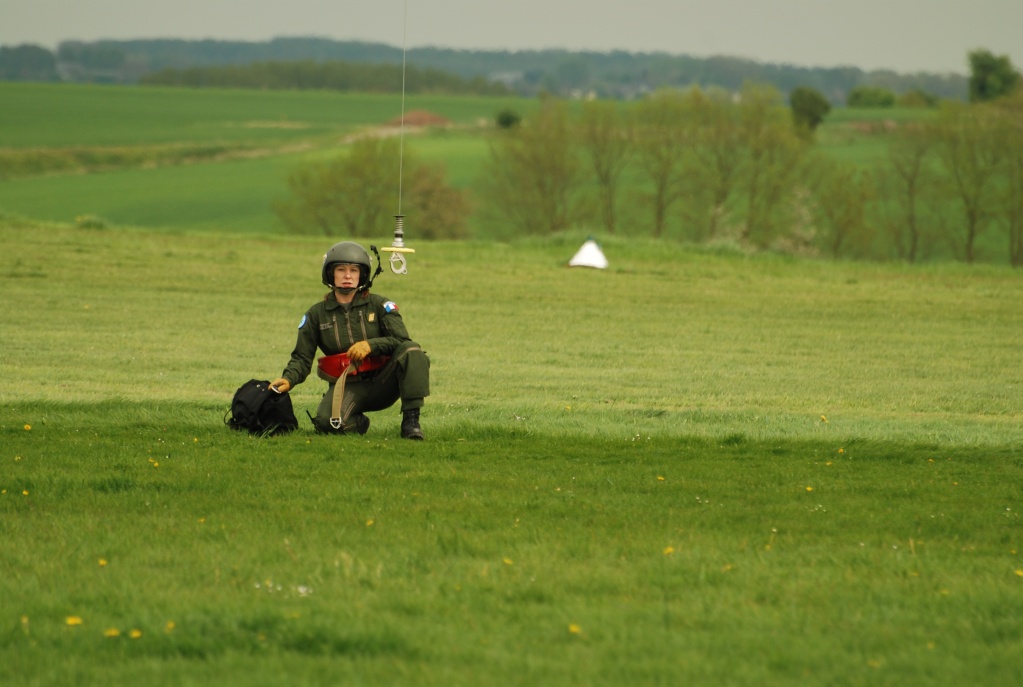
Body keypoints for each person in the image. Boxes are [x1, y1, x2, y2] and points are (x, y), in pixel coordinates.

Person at [270, 241, 430, 440]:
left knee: (412, 351)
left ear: (362, 274)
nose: (348, 276)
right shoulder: (315, 315)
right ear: (330, 274)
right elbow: (302, 359)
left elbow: (401, 341)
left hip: (385, 382)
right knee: (327, 424)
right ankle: (357, 422)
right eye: (341, 269)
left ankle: (411, 422)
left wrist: (370, 345)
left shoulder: (381, 305)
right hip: (348, 385)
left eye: (354, 270)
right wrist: (288, 379)